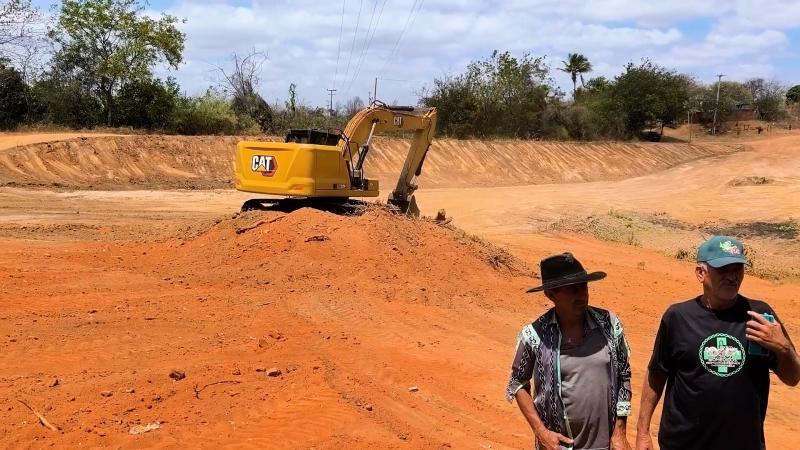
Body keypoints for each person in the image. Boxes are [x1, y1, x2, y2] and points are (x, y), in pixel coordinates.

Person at [636, 236, 800, 450]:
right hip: (683, 444)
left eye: (737, 269)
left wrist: (783, 348)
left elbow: (793, 377)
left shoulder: (759, 316)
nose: (732, 277)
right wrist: (642, 432)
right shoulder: (678, 317)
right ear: (700, 273)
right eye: (723, 270)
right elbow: (657, 373)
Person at [506, 252, 632, 450]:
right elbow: (517, 383)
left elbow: (624, 375)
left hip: (607, 446)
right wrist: (541, 432)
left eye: (583, 286)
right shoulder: (535, 335)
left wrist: (620, 431)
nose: (582, 295)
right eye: (572, 289)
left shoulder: (609, 324)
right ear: (551, 294)